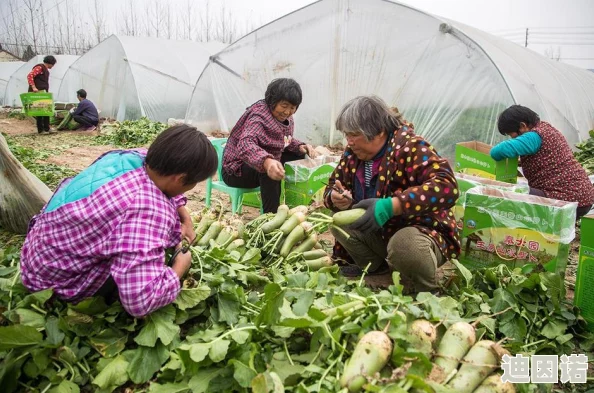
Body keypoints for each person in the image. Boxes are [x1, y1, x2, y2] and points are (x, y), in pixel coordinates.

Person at [20, 125, 218, 318]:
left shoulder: (130, 157)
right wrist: (179, 269)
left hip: (37, 256)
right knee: (149, 271)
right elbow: (140, 302)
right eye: (193, 183)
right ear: (180, 178)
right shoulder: (146, 209)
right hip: (54, 285)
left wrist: (185, 217)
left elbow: (168, 189)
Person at [323, 96, 460, 293]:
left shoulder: (410, 147)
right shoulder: (352, 154)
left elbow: (447, 186)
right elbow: (331, 186)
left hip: (421, 234)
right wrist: (336, 198)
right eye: (347, 135)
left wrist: (394, 205)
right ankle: (378, 270)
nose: (349, 141)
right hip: (381, 233)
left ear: (378, 131)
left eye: (354, 134)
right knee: (340, 221)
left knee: (405, 245)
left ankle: (425, 291)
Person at [221, 78, 317, 213]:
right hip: (236, 170)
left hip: (263, 162)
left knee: (299, 156)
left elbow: (283, 140)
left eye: (292, 107)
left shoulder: (285, 118)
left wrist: (300, 147)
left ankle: (297, 201)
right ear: (272, 100)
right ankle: (270, 218)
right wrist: (266, 161)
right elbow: (245, 144)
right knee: (270, 170)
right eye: (284, 106)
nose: (287, 112)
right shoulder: (258, 117)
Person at [491, 105, 594, 219]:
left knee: (511, 196)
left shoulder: (534, 136)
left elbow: (498, 151)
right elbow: (544, 157)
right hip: (583, 197)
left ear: (522, 126)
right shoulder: (546, 129)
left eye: (512, 135)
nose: (512, 139)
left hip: (567, 197)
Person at [27, 55, 57, 134]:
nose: (53, 66)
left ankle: (47, 128)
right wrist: (33, 87)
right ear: (50, 63)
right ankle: (41, 130)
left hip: (43, 92)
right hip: (38, 92)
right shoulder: (40, 68)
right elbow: (30, 76)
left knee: (46, 110)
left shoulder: (45, 70)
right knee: (40, 111)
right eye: (53, 64)